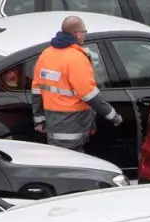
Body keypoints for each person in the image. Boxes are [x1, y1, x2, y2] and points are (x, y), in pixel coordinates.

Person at [30, 16, 122, 152]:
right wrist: (113, 116)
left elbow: (37, 90)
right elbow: (89, 94)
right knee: (72, 165)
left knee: (60, 161)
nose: (85, 35)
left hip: (53, 123)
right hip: (72, 123)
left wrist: (39, 119)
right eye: (84, 31)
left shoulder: (46, 55)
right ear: (78, 34)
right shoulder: (76, 58)